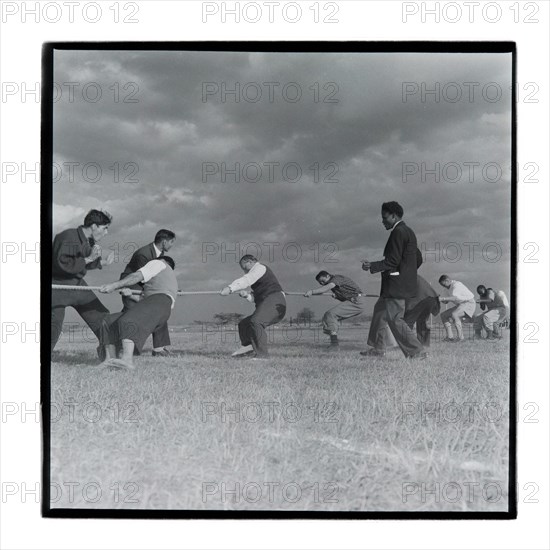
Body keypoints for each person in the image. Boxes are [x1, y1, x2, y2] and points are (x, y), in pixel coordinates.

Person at [361, 201, 426, 360]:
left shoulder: (398, 232)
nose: (382, 221)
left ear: (393, 215)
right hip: (400, 283)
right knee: (379, 312)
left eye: (384, 217)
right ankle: (378, 348)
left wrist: (372, 266)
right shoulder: (408, 231)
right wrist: (407, 273)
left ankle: (416, 351)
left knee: (395, 318)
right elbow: (418, 258)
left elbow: (392, 261)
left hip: (396, 285)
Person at [98, 256, 178, 370]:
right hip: (157, 306)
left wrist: (113, 285)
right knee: (108, 321)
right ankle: (110, 360)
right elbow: (144, 301)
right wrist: (130, 295)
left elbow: (137, 276)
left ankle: (127, 361)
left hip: (160, 302)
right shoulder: (163, 281)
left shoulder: (158, 263)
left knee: (127, 321)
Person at [51, 209, 114, 352]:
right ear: (94, 226)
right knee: (54, 325)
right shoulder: (67, 236)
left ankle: (110, 350)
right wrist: (89, 258)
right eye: (105, 228)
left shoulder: (87, 241)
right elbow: (62, 264)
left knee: (101, 315)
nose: (106, 233)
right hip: (57, 287)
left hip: (78, 286)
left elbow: (86, 262)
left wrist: (103, 262)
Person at [119, 229, 176, 357]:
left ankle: (159, 349)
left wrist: (167, 287)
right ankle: (124, 349)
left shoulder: (159, 254)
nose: (172, 245)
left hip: (146, 288)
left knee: (159, 311)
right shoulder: (143, 254)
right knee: (130, 317)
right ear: (164, 241)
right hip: (132, 285)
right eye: (171, 242)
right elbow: (143, 276)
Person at [220, 255, 286, 359]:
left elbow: (247, 279)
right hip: (268, 302)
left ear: (250, 262)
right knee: (244, 324)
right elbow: (256, 299)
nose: (245, 272)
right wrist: (247, 295)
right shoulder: (257, 279)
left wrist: (230, 288)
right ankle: (249, 348)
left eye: (244, 268)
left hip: (276, 302)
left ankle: (262, 355)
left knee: (256, 321)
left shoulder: (260, 268)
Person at [304, 271, 365, 349]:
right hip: (355, 301)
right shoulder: (335, 286)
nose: (322, 284)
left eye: (323, 281)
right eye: (320, 283)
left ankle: (334, 345)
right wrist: (338, 296)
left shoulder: (336, 279)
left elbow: (325, 289)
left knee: (330, 314)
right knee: (330, 316)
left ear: (328, 276)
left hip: (357, 301)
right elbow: (346, 297)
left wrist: (312, 292)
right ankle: (334, 343)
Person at [404, 275, 441, 347]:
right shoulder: (412, 274)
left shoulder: (404, 276)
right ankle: (424, 344)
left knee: (407, 322)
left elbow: (405, 296)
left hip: (421, 300)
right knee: (422, 321)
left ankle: (409, 344)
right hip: (431, 298)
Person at [438, 275, 476, 342]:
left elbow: (455, 298)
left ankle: (460, 338)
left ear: (447, 280)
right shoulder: (446, 288)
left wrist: (442, 298)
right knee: (443, 315)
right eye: (441, 285)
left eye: (443, 284)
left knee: (455, 314)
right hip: (460, 304)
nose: (443, 286)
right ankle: (450, 337)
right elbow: (446, 302)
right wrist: (438, 298)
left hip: (469, 303)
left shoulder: (456, 285)